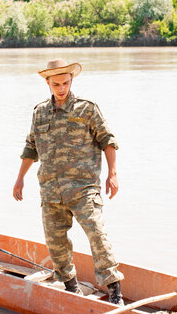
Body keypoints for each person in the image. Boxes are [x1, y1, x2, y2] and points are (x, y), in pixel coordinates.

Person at [13, 58, 125, 305]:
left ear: (71, 80)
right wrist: (20, 178)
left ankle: (115, 292)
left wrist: (113, 173)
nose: (61, 88)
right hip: (51, 191)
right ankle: (71, 288)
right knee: (56, 243)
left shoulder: (87, 109)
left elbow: (108, 140)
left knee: (97, 234)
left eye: (65, 83)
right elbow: (31, 148)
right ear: (47, 83)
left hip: (83, 188)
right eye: (56, 84)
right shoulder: (39, 112)